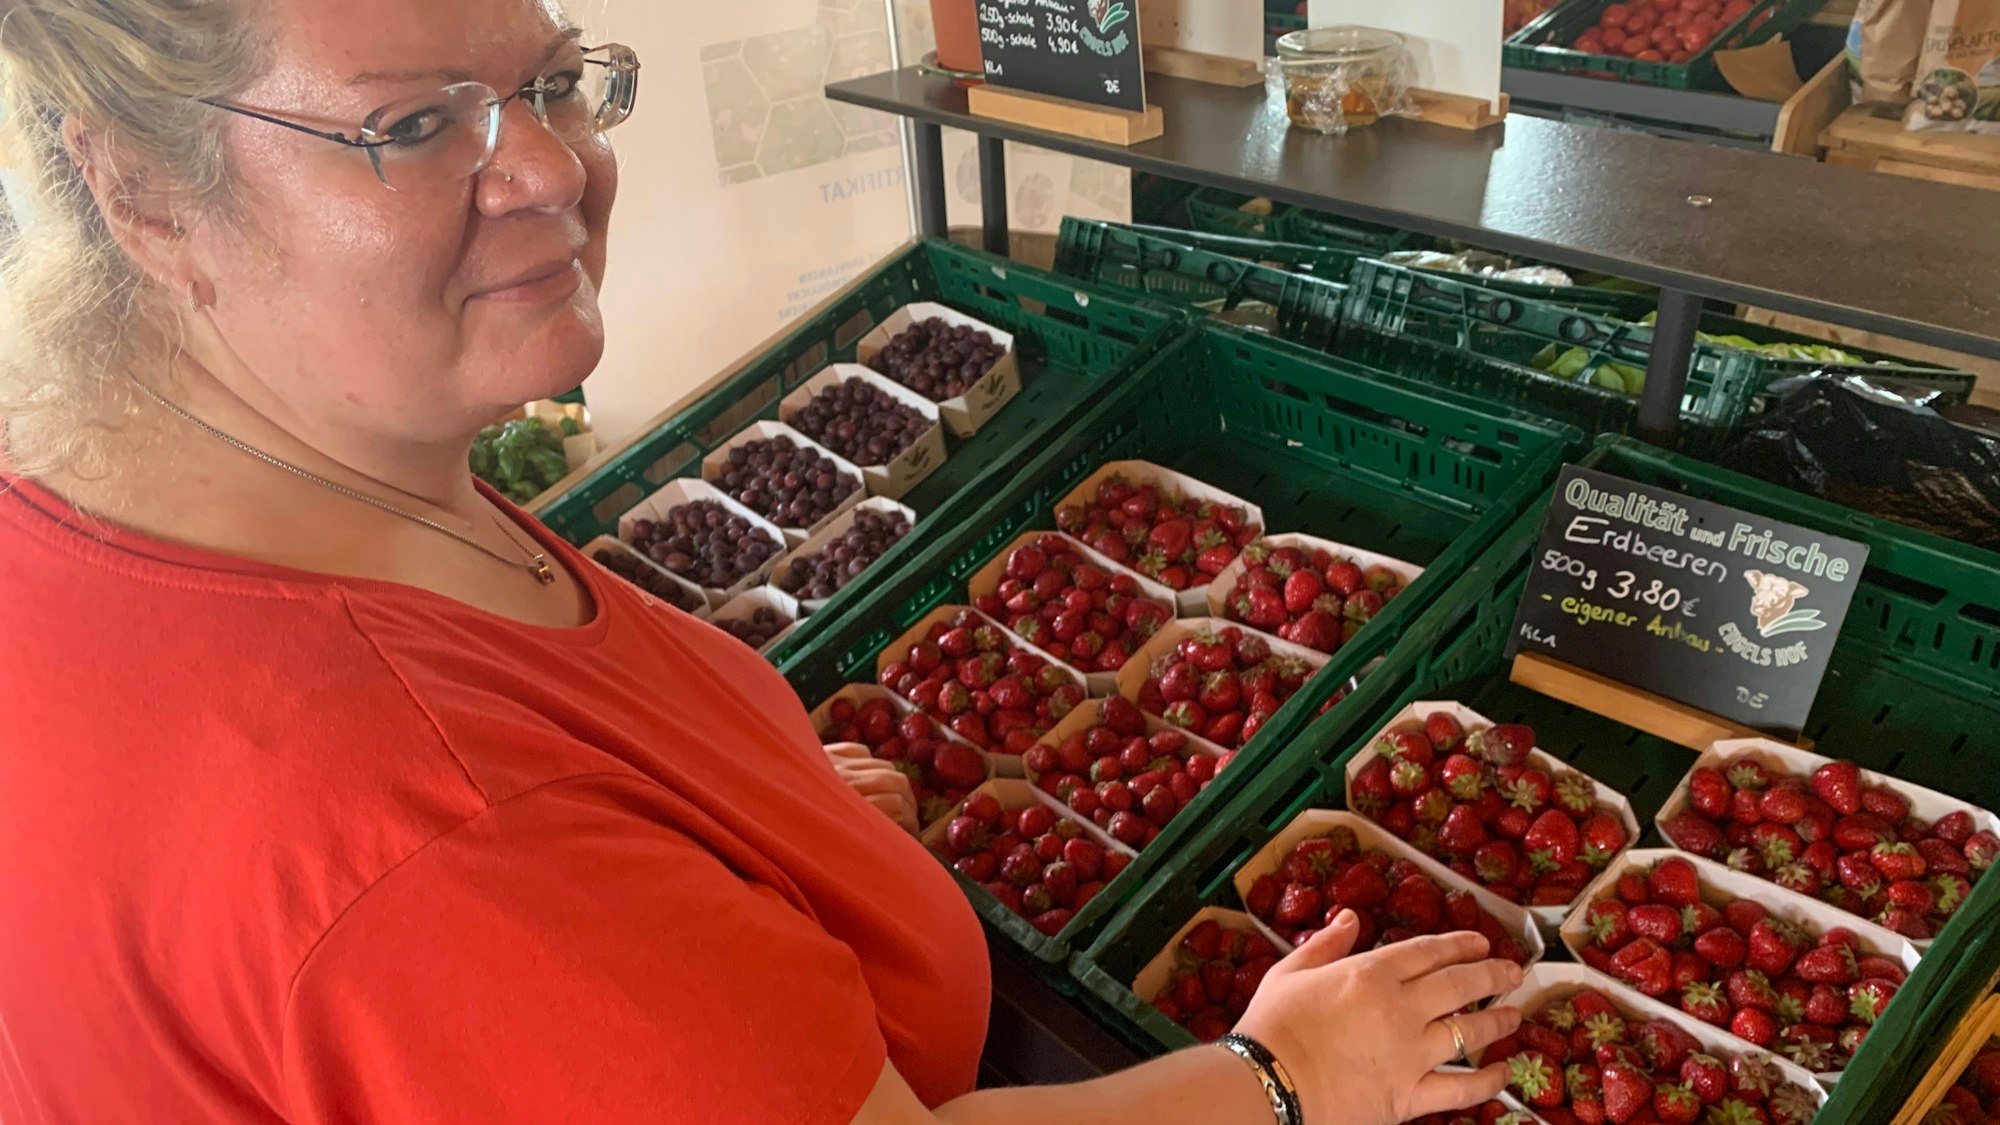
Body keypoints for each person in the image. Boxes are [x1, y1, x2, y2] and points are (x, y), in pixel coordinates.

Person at [0, 2, 1525, 1122]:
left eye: (548, 84)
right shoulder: (423, 829)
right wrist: (1281, 1075)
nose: (549, 169)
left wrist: (752, 833)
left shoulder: (141, 497)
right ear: (137, 189)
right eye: (411, 123)